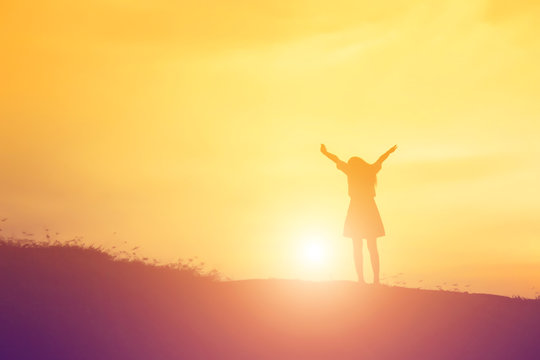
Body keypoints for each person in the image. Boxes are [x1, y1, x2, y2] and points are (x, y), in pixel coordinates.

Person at [321, 144, 397, 284]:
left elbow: (336, 159)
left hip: (356, 208)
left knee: (357, 245)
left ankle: (361, 279)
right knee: (372, 245)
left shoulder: (350, 170)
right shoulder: (370, 171)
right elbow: (381, 159)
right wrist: (389, 152)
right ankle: (375, 279)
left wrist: (325, 153)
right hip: (369, 208)